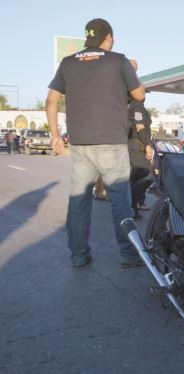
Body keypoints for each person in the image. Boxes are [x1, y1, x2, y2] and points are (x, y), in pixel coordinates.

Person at [45, 18, 145, 268]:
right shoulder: (119, 60)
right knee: (120, 201)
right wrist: (132, 70)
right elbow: (139, 94)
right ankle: (129, 254)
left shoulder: (67, 63)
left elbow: (50, 101)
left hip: (80, 144)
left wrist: (56, 136)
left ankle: (79, 255)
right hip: (112, 141)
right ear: (108, 37)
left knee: (79, 201)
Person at [127, 97, 153, 219]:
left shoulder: (130, 106)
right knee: (147, 175)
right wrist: (148, 144)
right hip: (138, 146)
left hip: (133, 146)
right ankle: (132, 207)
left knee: (135, 179)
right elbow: (140, 127)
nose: (145, 95)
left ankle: (134, 207)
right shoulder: (137, 107)